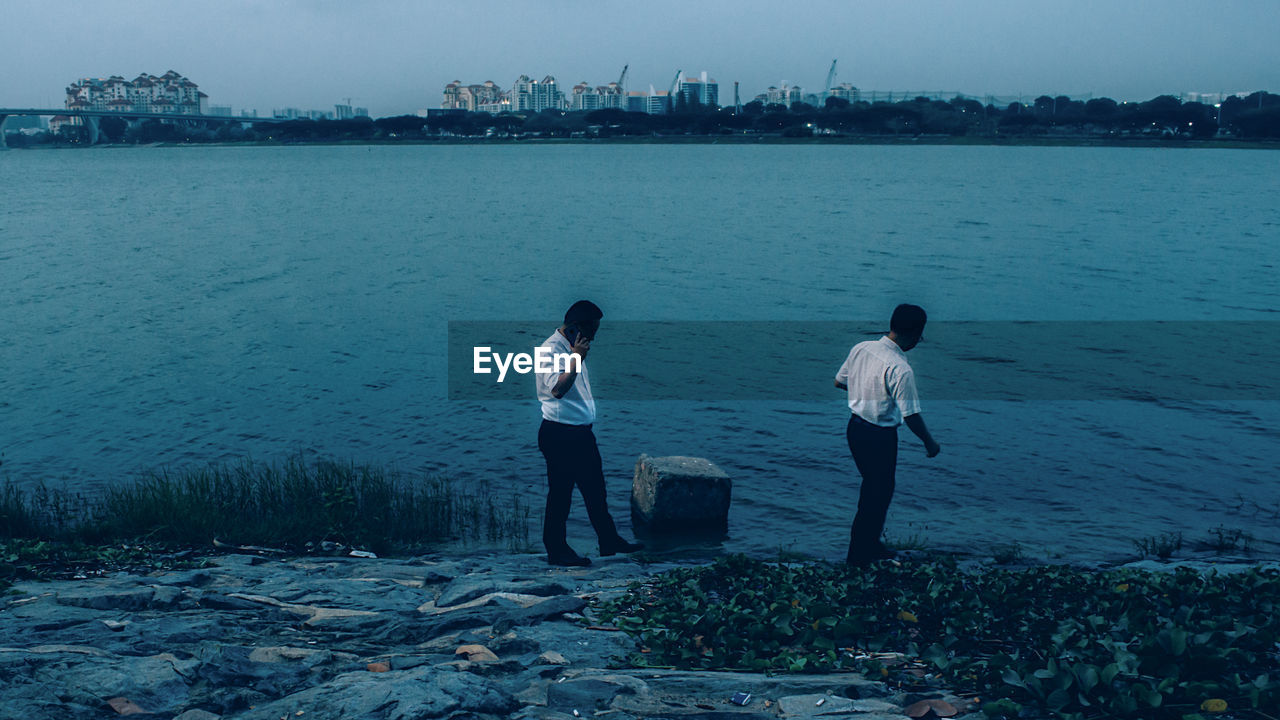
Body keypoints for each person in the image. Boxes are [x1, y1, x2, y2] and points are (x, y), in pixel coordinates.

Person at [534, 300, 644, 566]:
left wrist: (576, 355)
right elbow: (557, 390)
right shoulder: (548, 351)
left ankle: (609, 541)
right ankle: (556, 550)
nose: (594, 336)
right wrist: (576, 358)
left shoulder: (573, 350)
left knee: (596, 491)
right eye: (591, 330)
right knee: (561, 495)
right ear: (575, 328)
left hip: (580, 434)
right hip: (559, 434)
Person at [834, 303, 941, 566]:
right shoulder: (900, 368)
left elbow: (840, 382)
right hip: (879, 437)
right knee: (876, 495)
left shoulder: (862, 348)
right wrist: (930, 442)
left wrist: (866, 391)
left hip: (855, 429)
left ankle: (869, 545)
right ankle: (858, 557)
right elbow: (911, 415)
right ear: (916, 333)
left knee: (874, 490)